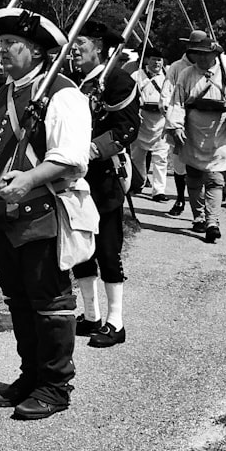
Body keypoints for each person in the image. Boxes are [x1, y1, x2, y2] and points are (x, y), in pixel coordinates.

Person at [0, 8, 94, 420]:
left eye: (11, 45)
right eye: (1, 44)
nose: (1, 51)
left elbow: (71, 157)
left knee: (50, 302)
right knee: (17, 300)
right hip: (4, 215)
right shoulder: (1, 94)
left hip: (43, 212)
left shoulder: (63, 93)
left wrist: (28, 180)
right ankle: (30, 374)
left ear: (36, 51)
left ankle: (55, 385)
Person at [68, 20, 140, 348]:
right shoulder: (69, 82)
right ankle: (91, 314)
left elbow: (126, 129)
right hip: (73, 176)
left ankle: (116, 321)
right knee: (81, 249)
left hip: (104, 176)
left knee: (108, 251)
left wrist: (92, 149)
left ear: (98, 47)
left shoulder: (118, 80)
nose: (73, 51)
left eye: (79, 44)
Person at [164, 31, 226, 243]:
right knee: (193, 177)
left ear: (214, 55)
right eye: (198, 54)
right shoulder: (186, 75)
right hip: (193, 132)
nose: (201, 58)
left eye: (205, 54)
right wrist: (176, 126)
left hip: (219, 133)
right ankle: (199, 216)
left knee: (215, 178)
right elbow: (177, 102)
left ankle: (212, 221)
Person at [130, 47, 171, 201]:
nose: (156, 63)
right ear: (147, 60)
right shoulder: (137, 75)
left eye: (159, 60)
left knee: (161, 158)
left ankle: (159, 191)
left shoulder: (168, 76)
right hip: (142, 120)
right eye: (154, 59)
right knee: (137, 156)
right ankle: (138, 184)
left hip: (161, 121)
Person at [165, 42, 198, 216]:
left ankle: (200, 208)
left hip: (200, 123)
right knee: (179, 164)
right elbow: (167, 90)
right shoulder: (177, 67)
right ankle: (179, 198)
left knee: (199, 166)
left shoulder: (209, 69)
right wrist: (169, 111)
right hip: (179, 122)